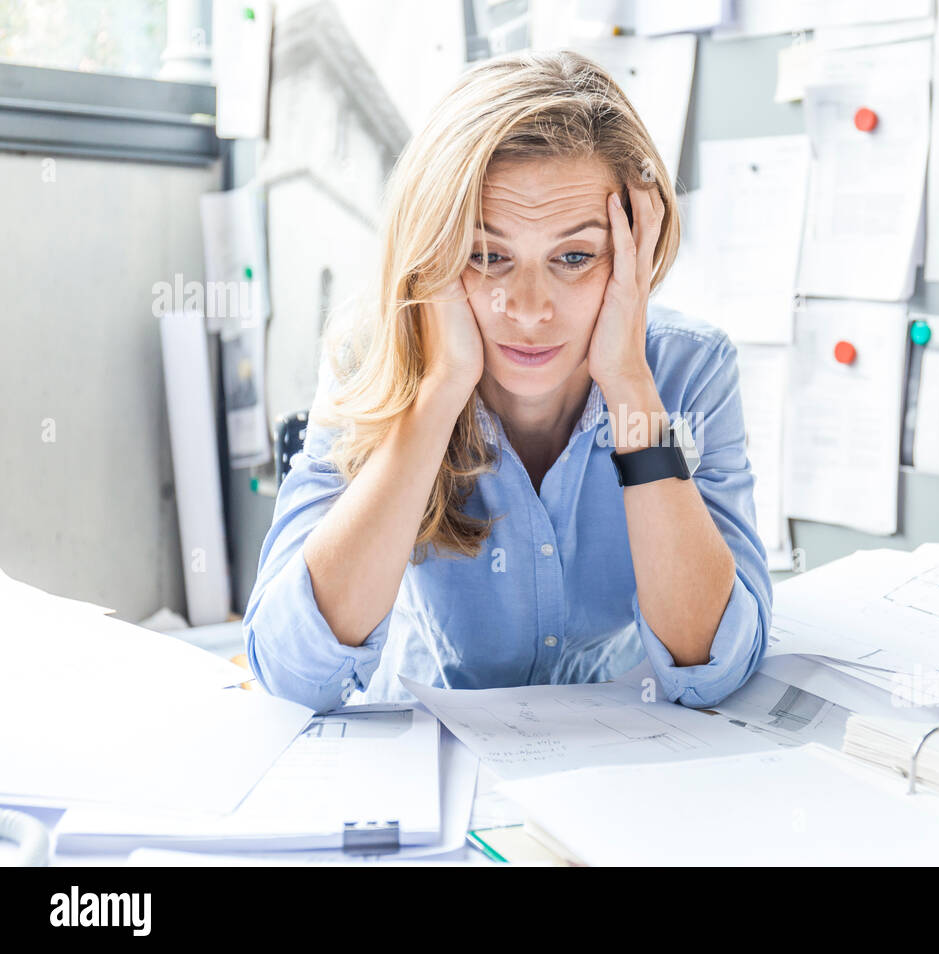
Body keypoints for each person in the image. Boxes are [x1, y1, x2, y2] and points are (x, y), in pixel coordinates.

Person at [242, 50, 772, 715]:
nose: (527, 308)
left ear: (636, 250)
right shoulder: (366, 357)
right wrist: (439, 392)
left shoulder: (690, 371)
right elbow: (294, 672)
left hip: (613, 753)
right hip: (419, 744)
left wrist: (631, 384)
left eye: (574, 257)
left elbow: (712, 671)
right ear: (432, 253)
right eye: (487, 256)